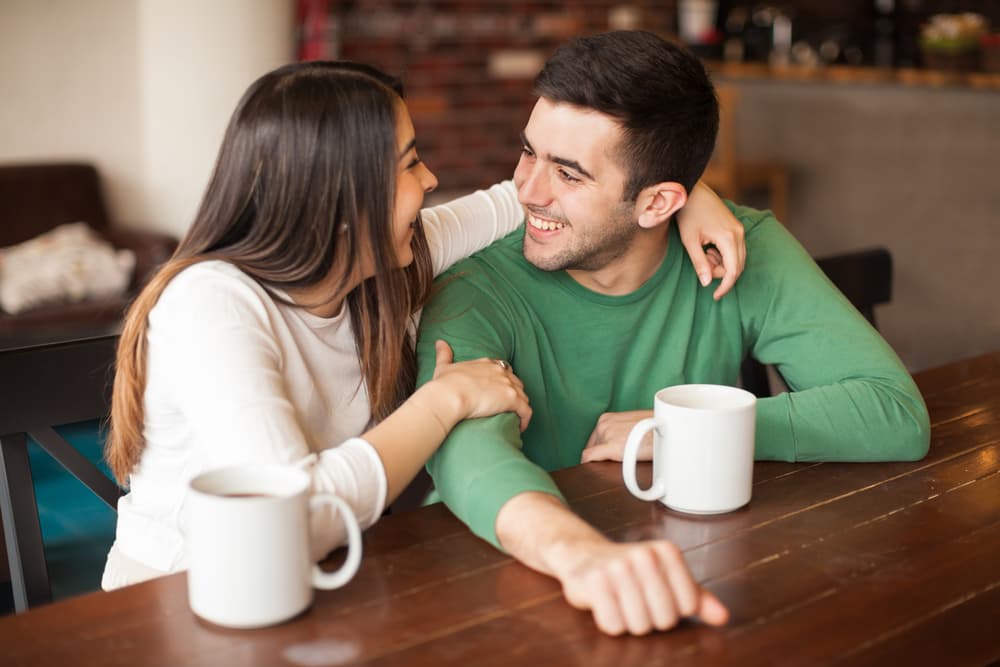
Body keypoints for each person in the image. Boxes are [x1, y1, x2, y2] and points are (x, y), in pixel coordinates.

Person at [101, 60, 746, 589]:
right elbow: (290, 521)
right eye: (409, 165)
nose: (431, 179)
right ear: (341, 196)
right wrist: (446, 400)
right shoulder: (212, 303)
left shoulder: (375, 267)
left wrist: (683, 197)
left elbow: (525, 203)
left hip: (322, 596)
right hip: (177, 607)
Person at [414, 31, 931, 637]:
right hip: (489, 597)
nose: (526, 190)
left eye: (569, 174)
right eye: (529, 152)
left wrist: (700, 433)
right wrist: (584, 556)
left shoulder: (735, 247)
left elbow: (894, 412)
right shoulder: (476, 286)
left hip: (694, 578)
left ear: (660, 203)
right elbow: (468, 453)